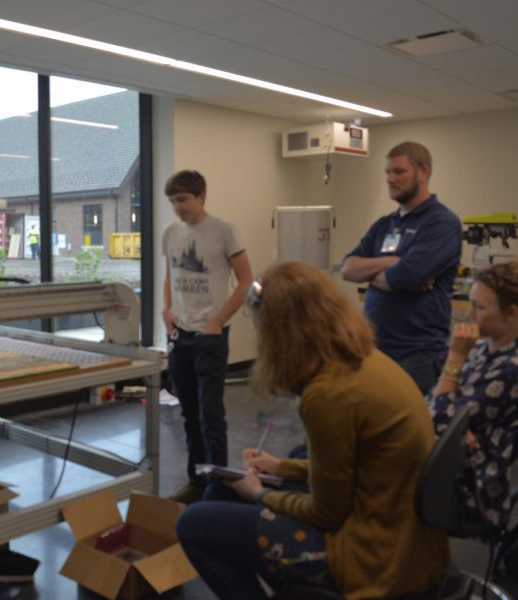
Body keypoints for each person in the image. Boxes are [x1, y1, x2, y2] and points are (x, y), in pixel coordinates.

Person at [176, 261, 450, 599]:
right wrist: (281, 468)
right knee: (220, 491)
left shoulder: (326, 394)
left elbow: (325, 512)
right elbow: (359, 467)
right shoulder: (362, 357)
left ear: (280, 332)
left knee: (192, 523)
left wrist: (259, 494)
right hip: (403, 536)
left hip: (372, 557)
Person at [161, 169, 253, 504]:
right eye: (172, 201)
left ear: (201, 196)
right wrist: (166, 310)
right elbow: (170, 275)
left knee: (210, 414)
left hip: (210, 337)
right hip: (180, 335)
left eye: (183, 199)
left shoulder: (224, 230)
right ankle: (196, 480)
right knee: (188, 413)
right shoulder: (170, 233)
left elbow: (246, 281)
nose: (178, 207)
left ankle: (218, 485)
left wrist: (219, 320)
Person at [341, 141, 462, 395]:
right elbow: (347, 268)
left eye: (398, 171)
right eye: (387, 172)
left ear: (424, 172)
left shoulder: (441, 223)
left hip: (417, 356)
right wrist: (390, 263)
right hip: (374, 350)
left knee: (413, 433)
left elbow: (407, 277)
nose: (390, 179)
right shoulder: (385, 224)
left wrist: (376, 273)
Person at [428, 260, 518, 530]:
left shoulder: (510, 369)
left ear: (511, 313)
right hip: (449, 466)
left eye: (478, 307)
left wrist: (454, 357)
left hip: (471, 488)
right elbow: (437, 405)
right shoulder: (481, 349)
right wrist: (455, 425)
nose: (468, 314)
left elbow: (437, 417)